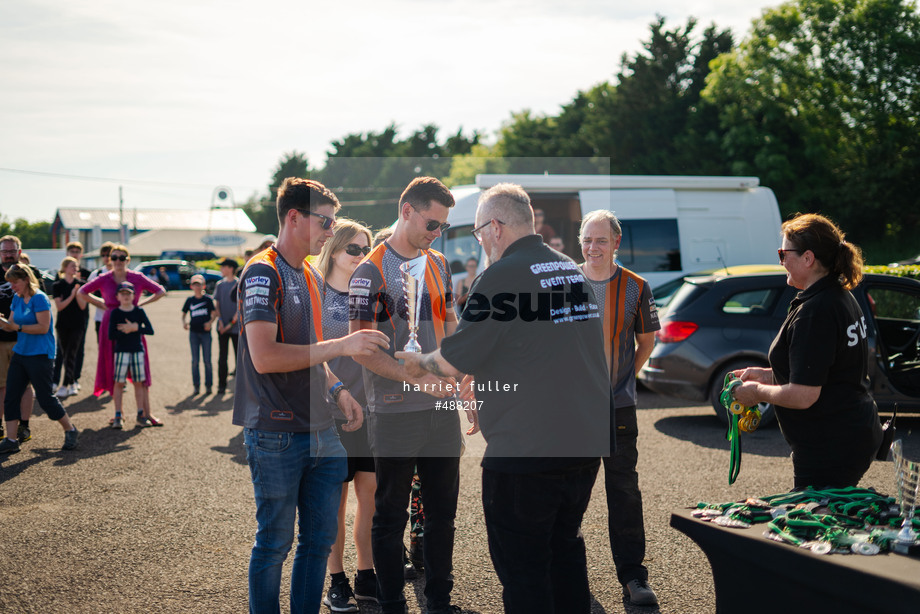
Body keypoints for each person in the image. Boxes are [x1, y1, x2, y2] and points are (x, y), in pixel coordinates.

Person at [396, 183, 611, 614]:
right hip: (584, 443)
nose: (480, 242)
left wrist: (414, 361)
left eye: (477, 233)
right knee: (565, 553)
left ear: (494, 228)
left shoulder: (500, 276)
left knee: (524, 571)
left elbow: (455, 359)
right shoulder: (570, 269)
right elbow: (540, 344)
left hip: (528, 452)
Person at [233, 177, 389, 614]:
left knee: (318, 542)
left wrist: (338, 389)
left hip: (323, 428)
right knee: (275, 543)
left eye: (334, 221)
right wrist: (343, 347)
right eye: (325, 221)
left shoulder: (306, 273)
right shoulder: (263, 270)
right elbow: (265, 357)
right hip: (276, 431)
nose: (330, 229)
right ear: (294, 217)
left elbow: (310, 353)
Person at [349, 176, 463, 614]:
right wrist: (417, 378)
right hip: (395, 411)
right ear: (407, 211)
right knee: (391, 516)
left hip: (441, 409)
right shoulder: (370, 271)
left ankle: (438, 601)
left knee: (442, 516)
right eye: (433, 224)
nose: (437, 234)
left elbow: (450, 322)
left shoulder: (438, 264)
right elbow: (362, 350)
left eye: (444, 228)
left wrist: (459, 371)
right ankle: (394, 603)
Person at [732, 213, 883, 489]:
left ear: (808, 258)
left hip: (832, 443)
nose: (781, 261)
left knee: (812, 523)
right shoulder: (836, 295)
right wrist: (766, 375)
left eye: (783, 253)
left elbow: (804, 396)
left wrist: (756, 393)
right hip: (851, 432)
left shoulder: (817, 311)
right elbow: (825, 367)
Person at [579, 209, 660, 606]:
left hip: (618, 409)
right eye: (587, 240)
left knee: (624, 492)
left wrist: (623, 377)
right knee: (569, 495)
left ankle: (633, 577)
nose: (593, 247)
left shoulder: (635, 287)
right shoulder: (565, 282)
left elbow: (647, 341)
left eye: (601, 240)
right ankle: (572, 578)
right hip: (571, 410)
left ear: (616, 243)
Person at [316, 219, 379, 611]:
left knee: (371, 496)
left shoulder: (373, 291)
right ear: (334, 250)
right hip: (329, 412)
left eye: (365, 249)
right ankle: (337, 580)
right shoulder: (316, 292)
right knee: (334, 503)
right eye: (353, 249)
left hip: (374, 410)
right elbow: (309, 353)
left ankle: (366, 572)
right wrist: (339, 392)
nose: (360, 256)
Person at [79, 244, 166, 426]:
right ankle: (118, 414)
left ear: (127, 260)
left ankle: (145, 413)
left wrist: (140, 305)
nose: (118, 261)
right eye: (114, 258)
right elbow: (82, 291)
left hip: (134, 327)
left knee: (140, 373)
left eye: (121, 258)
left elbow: (160, 291)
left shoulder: (137, 277)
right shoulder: (104, 278)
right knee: (114, 370)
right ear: (110, 260)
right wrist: (102, 304)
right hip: (111, 323)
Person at [0, 264, 79, 454]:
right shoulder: (17, 299)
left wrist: (15, 327)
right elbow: (10, 325)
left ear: (26, 280)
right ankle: (11, 440)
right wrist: (2, 323)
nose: (12, 287)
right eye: (9, 283)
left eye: (14, 283)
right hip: (21, 353)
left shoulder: (40, 298)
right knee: (10, 397)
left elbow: (43, 328)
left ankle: (70, 429)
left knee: (45, 399)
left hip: (40, 354)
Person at [0, 235, 39, 443]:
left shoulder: (31, 274)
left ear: (19, 252)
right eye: (4, 251)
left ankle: (23, 426)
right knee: (0, 385)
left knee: (24, 386)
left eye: (12, 251)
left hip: (23, 339)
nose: (8, 254)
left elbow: (38, 303)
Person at [108, 282, 155, 429]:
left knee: (138, 382)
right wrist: (125, 330)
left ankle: (140, 414)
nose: (126, 296)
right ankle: (117, 415)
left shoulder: (139, 311)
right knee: (119, 382)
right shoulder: (115, 313)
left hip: (137, 350)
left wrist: (135, 327)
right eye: (123, 294)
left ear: (134, 296)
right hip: (121, 351)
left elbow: (150, 329)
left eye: (129, 293)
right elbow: (111, 335)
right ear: (117, 296)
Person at [54, 241, 91, 393]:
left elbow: (85, 301)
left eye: (77, 251)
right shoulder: (59, 279)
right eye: (72, 250)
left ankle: (73, 380)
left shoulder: (85, 275)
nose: (74, 253)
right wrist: (71, 295)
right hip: (63, 320)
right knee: (61, 350)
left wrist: (77, 293)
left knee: (77, 349)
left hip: (80, 318)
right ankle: (55, 380)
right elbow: (59, 304)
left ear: (81, 254)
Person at [182, 274, 217, 395]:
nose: (197, 287)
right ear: (191, 286)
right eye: (195, 285)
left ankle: (209, 386)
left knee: (207, 361)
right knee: (195, 361)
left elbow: (214, 313)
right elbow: (183, 313)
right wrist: (184, 323)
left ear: (204, 286)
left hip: (206, 333)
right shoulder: (190, 300)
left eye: (199, 284)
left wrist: (210, 322)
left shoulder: (208, 299)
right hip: (194, 333)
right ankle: (196, 386)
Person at [213, 258, 240, 395]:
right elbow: (217, 304)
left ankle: (240, 389)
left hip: (235, 328)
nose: (221, 269)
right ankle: (221, 386)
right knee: (222, 358)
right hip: (222, 328)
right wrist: (221, 322)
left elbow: (240, 307)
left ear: (230, 268)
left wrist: (230, 324)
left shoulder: (239, 284)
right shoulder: (220, 285)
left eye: (223, 267)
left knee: (239, 358)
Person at [86, 242, 115, 342]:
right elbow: (85, 293)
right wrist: (99, 302)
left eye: (109, 255)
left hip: (118, 317)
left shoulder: (121, 273)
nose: (106, 258)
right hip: (101, 317)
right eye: (103, 255)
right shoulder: (97, 274)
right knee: (103, 350)